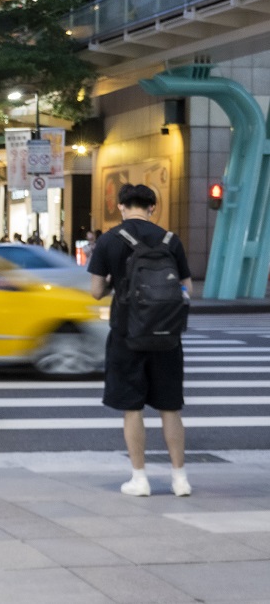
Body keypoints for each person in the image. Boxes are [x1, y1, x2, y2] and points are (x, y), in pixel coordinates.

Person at [89, 184, 192, 498]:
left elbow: (95, 291)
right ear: (152, 208)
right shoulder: (170, 241)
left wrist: (115, 286)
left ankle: (140, 479)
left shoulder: (108, 241)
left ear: (121, 207)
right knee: (170, 409)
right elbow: (188, 291)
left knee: (132, 409)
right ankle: (180, 479)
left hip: (126, 336)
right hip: (167, 338)